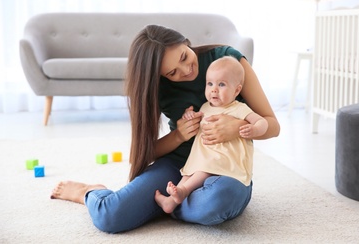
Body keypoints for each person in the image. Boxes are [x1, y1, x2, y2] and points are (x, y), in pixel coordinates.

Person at [50, 25, 280, 233]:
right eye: (172, 73)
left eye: (183, 56)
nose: (185, 70)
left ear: (186, 41)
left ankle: (167, 204)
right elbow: (140, 154)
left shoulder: (227, 63)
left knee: (220, 199)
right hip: (180, 167)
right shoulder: (157, 88)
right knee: (110, 216)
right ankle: (90, 192)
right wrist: (179, 135)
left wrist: (237, 127)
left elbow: (272, 125)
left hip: (226, 168)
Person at [155, 56, 268, 213]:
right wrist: (189, 116)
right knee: (190, 172)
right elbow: (197, 119)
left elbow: (262, 122)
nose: (214, 89)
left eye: (221, 84)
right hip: (204, 155)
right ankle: (170, 202)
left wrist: (254, 129)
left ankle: (184, 192)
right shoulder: (205, 106)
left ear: (237, 90)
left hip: (223, 158)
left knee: (203, 170)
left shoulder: (239, 109)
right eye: (210, 84)